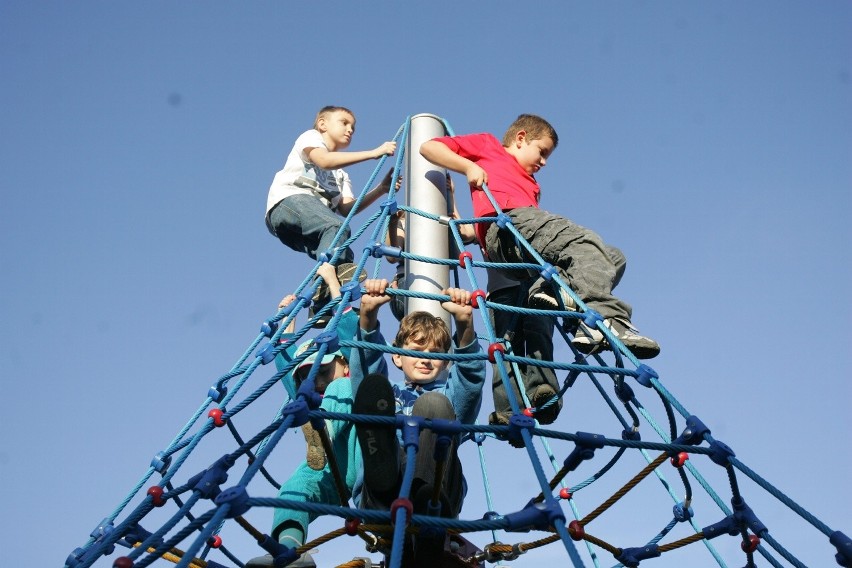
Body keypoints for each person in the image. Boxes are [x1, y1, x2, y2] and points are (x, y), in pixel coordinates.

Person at [419, 114, 660, 359]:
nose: (544, 162)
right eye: (542, 152)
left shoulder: (533, 185)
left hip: (523, 249)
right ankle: (605, 318)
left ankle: (555, 290)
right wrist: (469, 166)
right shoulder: (489, 145)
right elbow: (429, 147)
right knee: (583, 241)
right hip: (508, 227)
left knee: (613, 256)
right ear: (521, 138)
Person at [349, 279, 486, 565]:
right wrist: (368, 317)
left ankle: (423, 495)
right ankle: (385, 478)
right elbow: (366, 371)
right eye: (416, 351)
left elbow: (470, 383)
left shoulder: (448, 397)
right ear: (397, 357)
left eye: (435, 354)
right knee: (374, 392)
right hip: (381, 501)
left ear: (447, 362)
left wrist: (464, 325)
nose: (425, 360)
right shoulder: (389, 396)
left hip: (436, 498)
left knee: (434, 405)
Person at [246, 265, 359, 568]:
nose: (317, 380)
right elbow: (284, 358)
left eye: (323, 371)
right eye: (309, 375)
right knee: (292, 490)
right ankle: (287, 550)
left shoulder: (349, 374)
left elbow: (348, 324)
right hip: (325, 469)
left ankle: (324, 431)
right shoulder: (307, 393)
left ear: (343, 363)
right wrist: (288, 319)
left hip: (365, 454)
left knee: (341, 389)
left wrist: (334, 283)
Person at [265, 105, 397, 303]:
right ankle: (323, 284)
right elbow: (324, 161)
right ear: (322, 124)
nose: (350, 129)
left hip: (299, 230)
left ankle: (321, 305)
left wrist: (380, 189)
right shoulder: (311, 137)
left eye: (353, 127)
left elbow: (347, 209)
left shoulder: (341, 175)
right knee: (335, 228)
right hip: (289, 202)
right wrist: (373, 153)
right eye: (344, 123)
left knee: (342, 253)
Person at [485, 267, 562, 429]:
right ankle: (509, 410)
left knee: (539, 330)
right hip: (502, 289)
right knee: (503, 350)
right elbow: (464, 240)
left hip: (540, 282)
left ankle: (543, 393)